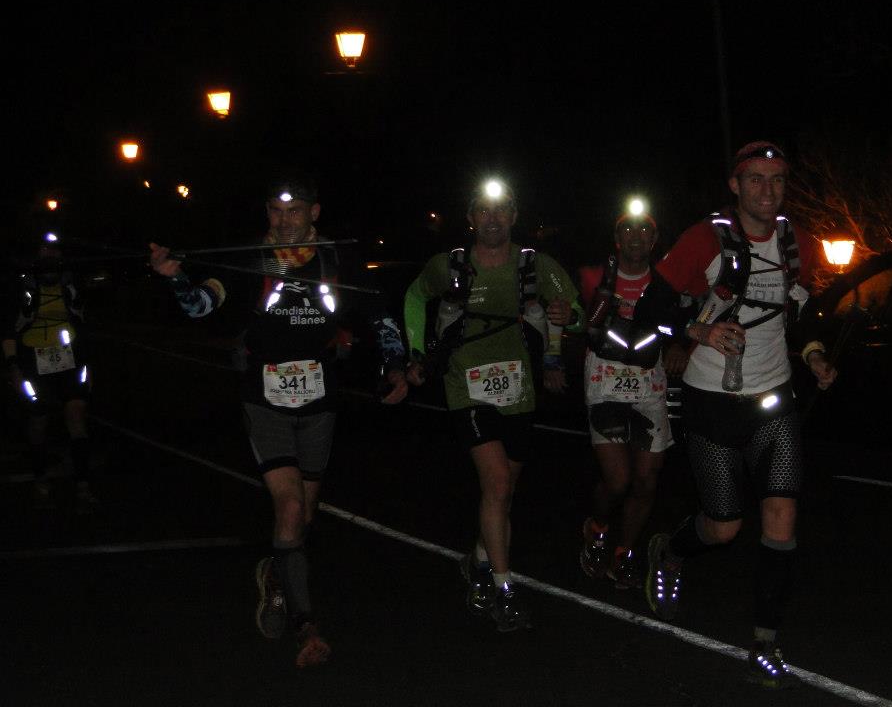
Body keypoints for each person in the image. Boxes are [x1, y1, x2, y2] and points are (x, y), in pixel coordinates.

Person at [149, 171, 408, 667]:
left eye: (294, 211)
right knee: (289, 509)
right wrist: (176, 277)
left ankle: (275, 572)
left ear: (314, 213)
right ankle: (307, 628)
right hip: (263, 396)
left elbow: (379, 314)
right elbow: (201, 305)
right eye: (275, 210)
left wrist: (395, 364)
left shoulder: (336, 258)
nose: (284, 220)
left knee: (303, 518)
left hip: (319, 398)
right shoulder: (252, 259)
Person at [643, 142, 837, 688]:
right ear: (735, 184)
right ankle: (671, 549)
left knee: (781, 515)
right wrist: (699, 331)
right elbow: (651, 310)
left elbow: (802, 314)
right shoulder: (705, 239)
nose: (767, 190)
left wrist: (814, 354)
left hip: (773, 399)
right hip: (710, 398)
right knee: (724, 526)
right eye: (756, 179)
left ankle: (765, 642)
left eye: (777, 180)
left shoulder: (799, 243)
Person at [403, 178, 584, 632]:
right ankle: (501, 588)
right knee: (498, 482)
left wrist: (569, 316)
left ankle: (480, 557)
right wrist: (416, 352)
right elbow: (415, 296)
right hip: (464, 385)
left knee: (503, 492)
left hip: (518, 390)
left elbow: (577, 311)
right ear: (470, 218)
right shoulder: (449, 266)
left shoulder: (535, 265)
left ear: (514, 216)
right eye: (483, 210)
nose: (492, 218)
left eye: (501, 209)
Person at [577, 207, 689, 589]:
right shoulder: (592, 276)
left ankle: (623, 553)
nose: (636, 237)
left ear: (654, 240)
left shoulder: (668, 282)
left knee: (646, 481)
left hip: (649, 381)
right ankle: (597, 528)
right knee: (618, 480)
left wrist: (679, 346)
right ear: (616, 238)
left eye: (645, 230)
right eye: (628, 230)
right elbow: (573, 316)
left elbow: (684, 322)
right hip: (604, 379)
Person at [2, 231, 98, 512]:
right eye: (45, 250)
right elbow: (8, 329)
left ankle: (83, 486)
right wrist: (13, 366)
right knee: (38, 421)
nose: (50, 256)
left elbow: (85, 325)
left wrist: (88, 364)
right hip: (33, 361)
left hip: (69, 358)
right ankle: (40, 479)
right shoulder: (22, 287)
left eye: (55, 251)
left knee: (76, 414)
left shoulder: (71, 285)